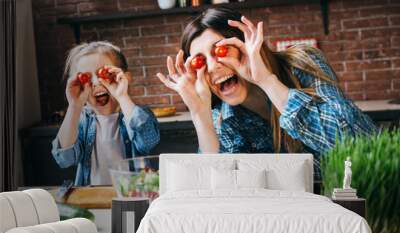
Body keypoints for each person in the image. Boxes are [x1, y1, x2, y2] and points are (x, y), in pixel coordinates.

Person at [157, 7, 377, 179]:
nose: (213, 66)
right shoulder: (223, 120)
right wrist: (199, 114)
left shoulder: (303, 64)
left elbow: (356, 147)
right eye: (200, 61)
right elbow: (215, 191)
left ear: (246, 45)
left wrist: (266, 80)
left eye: (220, 50)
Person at [52, 41, 160, 186]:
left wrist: (122, 96)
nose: (96, 83)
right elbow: (65, 159)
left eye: (104, 73)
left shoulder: (137, 114)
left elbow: (148, 141)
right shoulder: (80, 120)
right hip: (94, 197)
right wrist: (74, 106)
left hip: (134, 193)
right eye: (86, 78)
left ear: (125, 78)